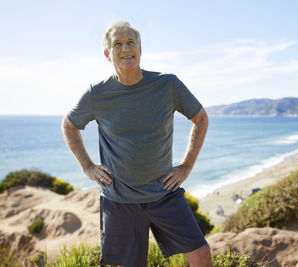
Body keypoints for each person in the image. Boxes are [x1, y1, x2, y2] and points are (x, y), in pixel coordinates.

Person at [61, 21, 211, 267]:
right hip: (119, 200)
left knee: (201, 256)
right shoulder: (97, 94)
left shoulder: (167, 85)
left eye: (131, 42)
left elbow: (201, 119)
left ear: (140, 49)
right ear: (107, 54)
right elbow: (69, 125)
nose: (126, 48)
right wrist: (87, 167)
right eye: (117, 44)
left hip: (165, 194)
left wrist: (185, 167)